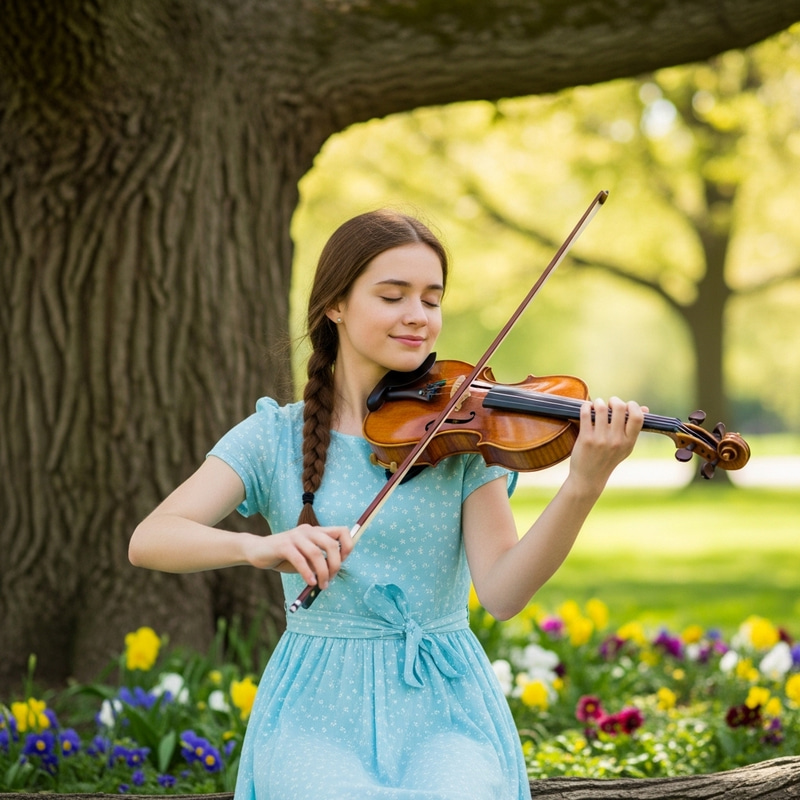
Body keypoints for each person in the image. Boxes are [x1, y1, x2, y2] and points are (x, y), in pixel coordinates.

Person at [129, 208, 645, 799]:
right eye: (393, 296)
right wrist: (259, 546)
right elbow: (150, 539)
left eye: (431, 299)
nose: (417, 317)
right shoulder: (275, 438)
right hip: (316, 707)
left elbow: (503, 593)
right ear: (337, 305)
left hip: (443, 701)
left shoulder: (459, 434)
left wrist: (583, 484)